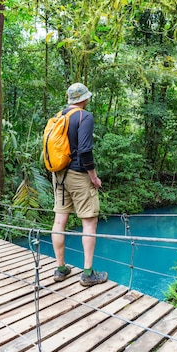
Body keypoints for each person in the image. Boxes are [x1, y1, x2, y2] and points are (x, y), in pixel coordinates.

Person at [51, 82, 108, 287]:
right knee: (89, 222)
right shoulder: (85, 116)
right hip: (78, 174)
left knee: (59, 221)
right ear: (83, 99)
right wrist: (93, 177)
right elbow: (85, 150)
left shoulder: (60, 116)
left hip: (58, 175)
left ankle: (60, 269)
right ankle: (87, 274)